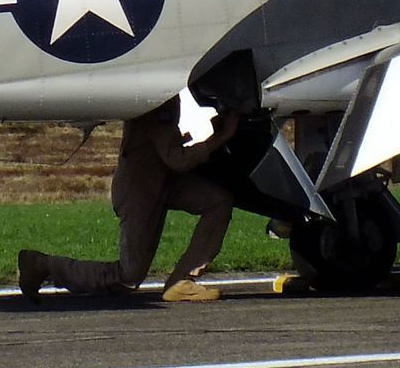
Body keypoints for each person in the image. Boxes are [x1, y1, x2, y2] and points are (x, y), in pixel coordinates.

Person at [18, 98, 241, 304]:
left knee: (218, 201)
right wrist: (220, 137)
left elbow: (165, 145)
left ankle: (182, 281)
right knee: (128, 277)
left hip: (163, 182)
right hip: (140, 192)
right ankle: (41, 265)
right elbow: (177, 158)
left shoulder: (163, 96)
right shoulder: (154, 99)